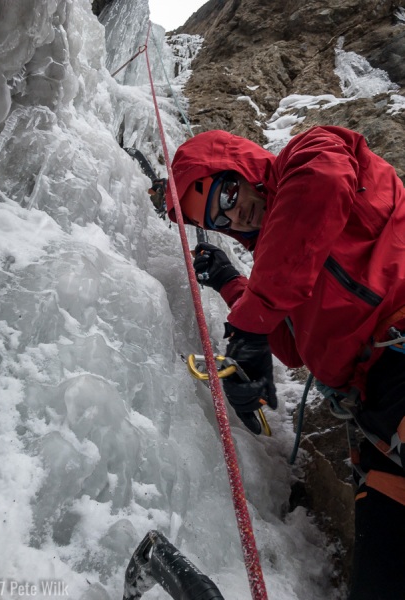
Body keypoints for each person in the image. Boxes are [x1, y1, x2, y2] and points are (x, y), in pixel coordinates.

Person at [165, 126, 405, 600]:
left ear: (245, 167)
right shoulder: (280, 264)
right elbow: (293, 346)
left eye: (228, 192)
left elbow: (324, 187)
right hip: (377, 409)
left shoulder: (312, 153)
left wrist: (249, 322)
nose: (235, 214)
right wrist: (234, 284)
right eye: (220, 219)